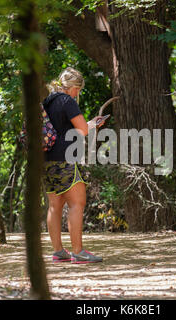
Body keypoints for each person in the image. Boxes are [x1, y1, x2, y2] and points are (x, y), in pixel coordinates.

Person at [43, 67, 104, 263]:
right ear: (72, 87)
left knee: (54, 205)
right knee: (77, 203)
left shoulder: (47, 100)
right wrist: (93, 124)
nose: (78, 94)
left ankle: (58, 251)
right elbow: (83, 130)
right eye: (78, 89)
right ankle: (78, 252)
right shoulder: (66, 101)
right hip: (65, 158)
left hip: (45, 159)